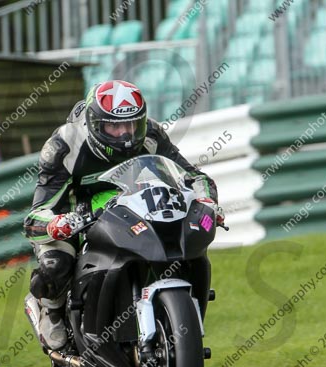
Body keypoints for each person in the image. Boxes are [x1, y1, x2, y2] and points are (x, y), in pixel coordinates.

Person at [23, 80, 223, 350]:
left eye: (131, 125)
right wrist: (56, 224)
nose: (125, 135)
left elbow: (190, 175)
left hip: (127, 205)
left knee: (185, 244)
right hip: (74, 215)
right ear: (94, 124)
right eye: (114, 127)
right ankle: (51, 310)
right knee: (56, 264)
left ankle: (178, 317)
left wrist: (207, 199)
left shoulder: (151, 134)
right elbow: (36, 213)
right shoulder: (64, 146)